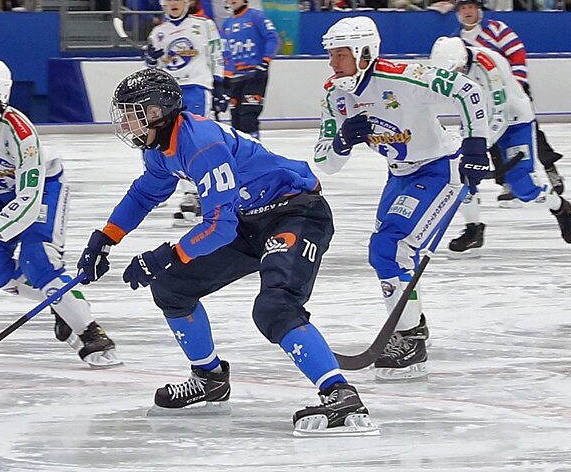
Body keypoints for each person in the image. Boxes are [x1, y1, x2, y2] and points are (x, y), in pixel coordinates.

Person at [75, 68, 377, 436]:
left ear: (158, 112)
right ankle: (209, 378)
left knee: (275, 307)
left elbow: (219, 226)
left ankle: (340, 395)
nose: (125, 121)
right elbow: (145, 194)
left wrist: (167, 254)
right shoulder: (159, 146)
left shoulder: (201, 144)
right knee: (172, 287)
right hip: (248, 220)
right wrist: (105, 238)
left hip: (294, 213)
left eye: (132, 112)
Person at [314, 17, 491, 381]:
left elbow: (468, 91)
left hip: (440, 169)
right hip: (400, 175)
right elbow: (324, 161)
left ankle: (409, 338)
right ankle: (412, 328)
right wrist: (342, 141)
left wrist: (475, 146)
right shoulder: (336, 94)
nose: (333, 64)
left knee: (391, 248)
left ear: (365, 53)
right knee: (387, 253)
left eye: (341, 55)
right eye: (331, 55)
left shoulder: (405, 77)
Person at [0, 59, 120, 368]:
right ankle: (58, 301)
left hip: (43, 189)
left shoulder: (20, 133)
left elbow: (29, 199)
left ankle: (90, 332)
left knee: (40, 260)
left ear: (1, 97)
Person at [428, 37, 571, 252]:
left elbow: (500, 114)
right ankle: (473, 229)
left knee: (524, 187)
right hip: (478, 121)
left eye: (457, 71)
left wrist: (479, 147)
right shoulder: (451, 66)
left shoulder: (489, 66)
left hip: (514, 121)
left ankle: (560, 208)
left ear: (463, 60)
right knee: (461, 177)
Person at [452, 0, 567, 200]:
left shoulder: (496, 29)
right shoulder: (457, 40)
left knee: (530, 133)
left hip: (513, 93)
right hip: (485, 99)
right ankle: (506, 182)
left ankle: (549, 169)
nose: (467, 12)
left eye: (471, 7)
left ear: (479, 9)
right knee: (491, 138)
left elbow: (516, 52)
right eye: (463, 8)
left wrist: (517, 82)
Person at [142, 0, 224, 226]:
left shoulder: (204, 25)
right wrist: (151, 57)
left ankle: (195, 195)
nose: (173, 4)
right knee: (163, 141)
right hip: (168, 91)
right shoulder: (159, 32)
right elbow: (152, 66)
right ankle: (163, 186)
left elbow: (216, 54)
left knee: (194, 140)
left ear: (187, 0)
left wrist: (220, 85)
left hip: (198, 88)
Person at [219, 0, 279, 140]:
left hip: (255, 74)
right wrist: (226, 77)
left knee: (248, 115)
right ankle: (241, 154)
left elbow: (273, 38)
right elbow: (225, 53)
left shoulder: (256, 16)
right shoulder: (226, 25)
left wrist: (265, 62)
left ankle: (255, 151)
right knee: (236, 119)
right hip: (236, 77)